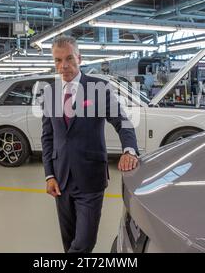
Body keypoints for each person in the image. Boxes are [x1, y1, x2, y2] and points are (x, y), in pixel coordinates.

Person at [41, 35, 139, 253]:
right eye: (57, 60)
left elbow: (122, 122)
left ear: (79, 58)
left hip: (90, 178)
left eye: (68, 59)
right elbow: (47, 138)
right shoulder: (50, 93)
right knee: (68, 241)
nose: (63, 66)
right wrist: (49, 174)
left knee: (84, 243)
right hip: (60, 179)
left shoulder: (99, 88)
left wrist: (129, 150)